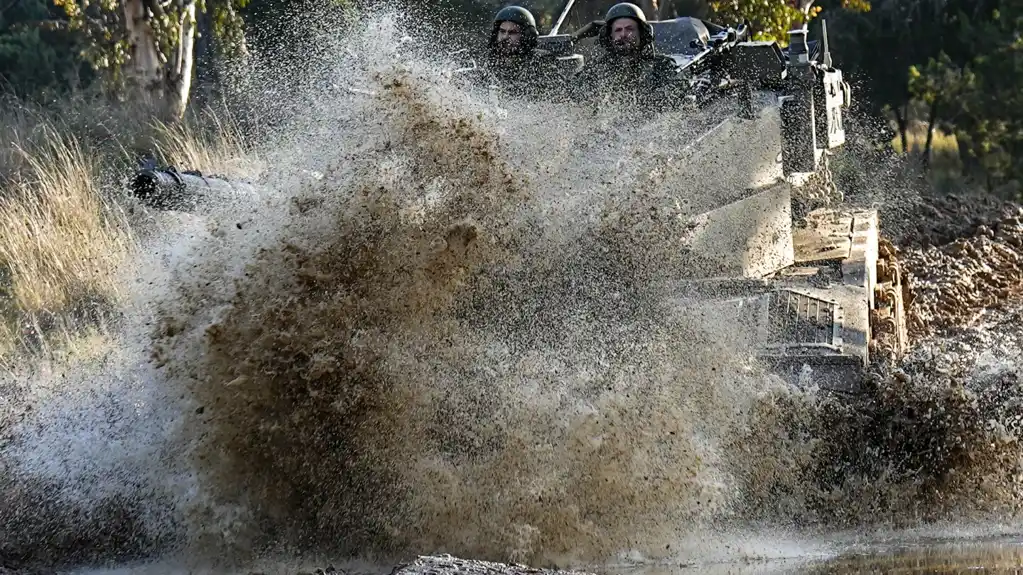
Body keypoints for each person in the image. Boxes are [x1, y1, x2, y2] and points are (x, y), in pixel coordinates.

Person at [569, 2, 684, 113]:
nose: (623, 34)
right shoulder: (596, 69)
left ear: (641, 33)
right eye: (618, 30)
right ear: (610, 37)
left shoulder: (662, 66)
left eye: (630, 29)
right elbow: (571, 95)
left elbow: (678, 99)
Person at [471, 5, 567, 100]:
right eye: (502, 31)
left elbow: (557, 96)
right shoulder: (487, 60)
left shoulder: (541, 62)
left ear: (526, 36)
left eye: (512, 33)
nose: (505, 37)